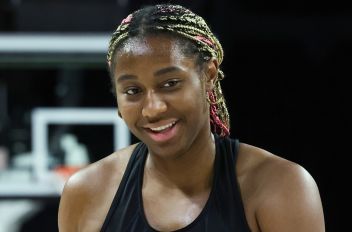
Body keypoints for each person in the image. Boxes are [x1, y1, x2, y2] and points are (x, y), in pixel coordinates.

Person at [58, 3, 325, 232]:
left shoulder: (280, 187)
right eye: (133, 91)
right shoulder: (86, 193)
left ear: (208, 75)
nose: (153, 108)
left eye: (170, 83)